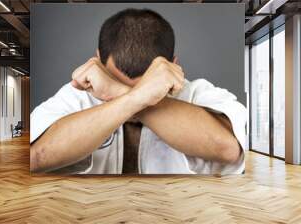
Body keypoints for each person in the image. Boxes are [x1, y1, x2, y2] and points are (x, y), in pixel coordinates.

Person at [30, 8, 247, 175]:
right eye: (116, 80)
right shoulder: (77, 94)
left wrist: (116, 91)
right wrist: (139, 97)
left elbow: (228, 149)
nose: (141, 94)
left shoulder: (197, 93)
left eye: (151, 85)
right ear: (98, 61)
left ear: (173, 65)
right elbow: (36, 157)